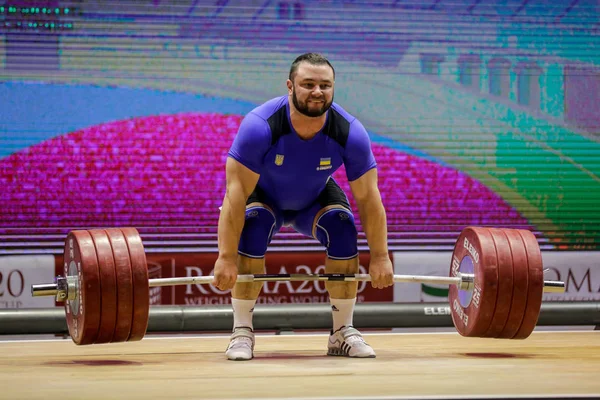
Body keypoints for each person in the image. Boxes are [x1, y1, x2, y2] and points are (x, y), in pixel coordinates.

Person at [212, 52, 394, 361]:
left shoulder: (349, 131)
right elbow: (235, 195)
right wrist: (226, 258)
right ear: (290, 86)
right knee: (252, 226)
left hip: (314, 197)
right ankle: (242, 332)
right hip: (264, 195)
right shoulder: (260, 125)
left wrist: (379, 257)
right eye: (308, 84)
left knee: (342, 227)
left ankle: (341, 333)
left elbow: (369, 199)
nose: (317, 92)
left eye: (325, 85)